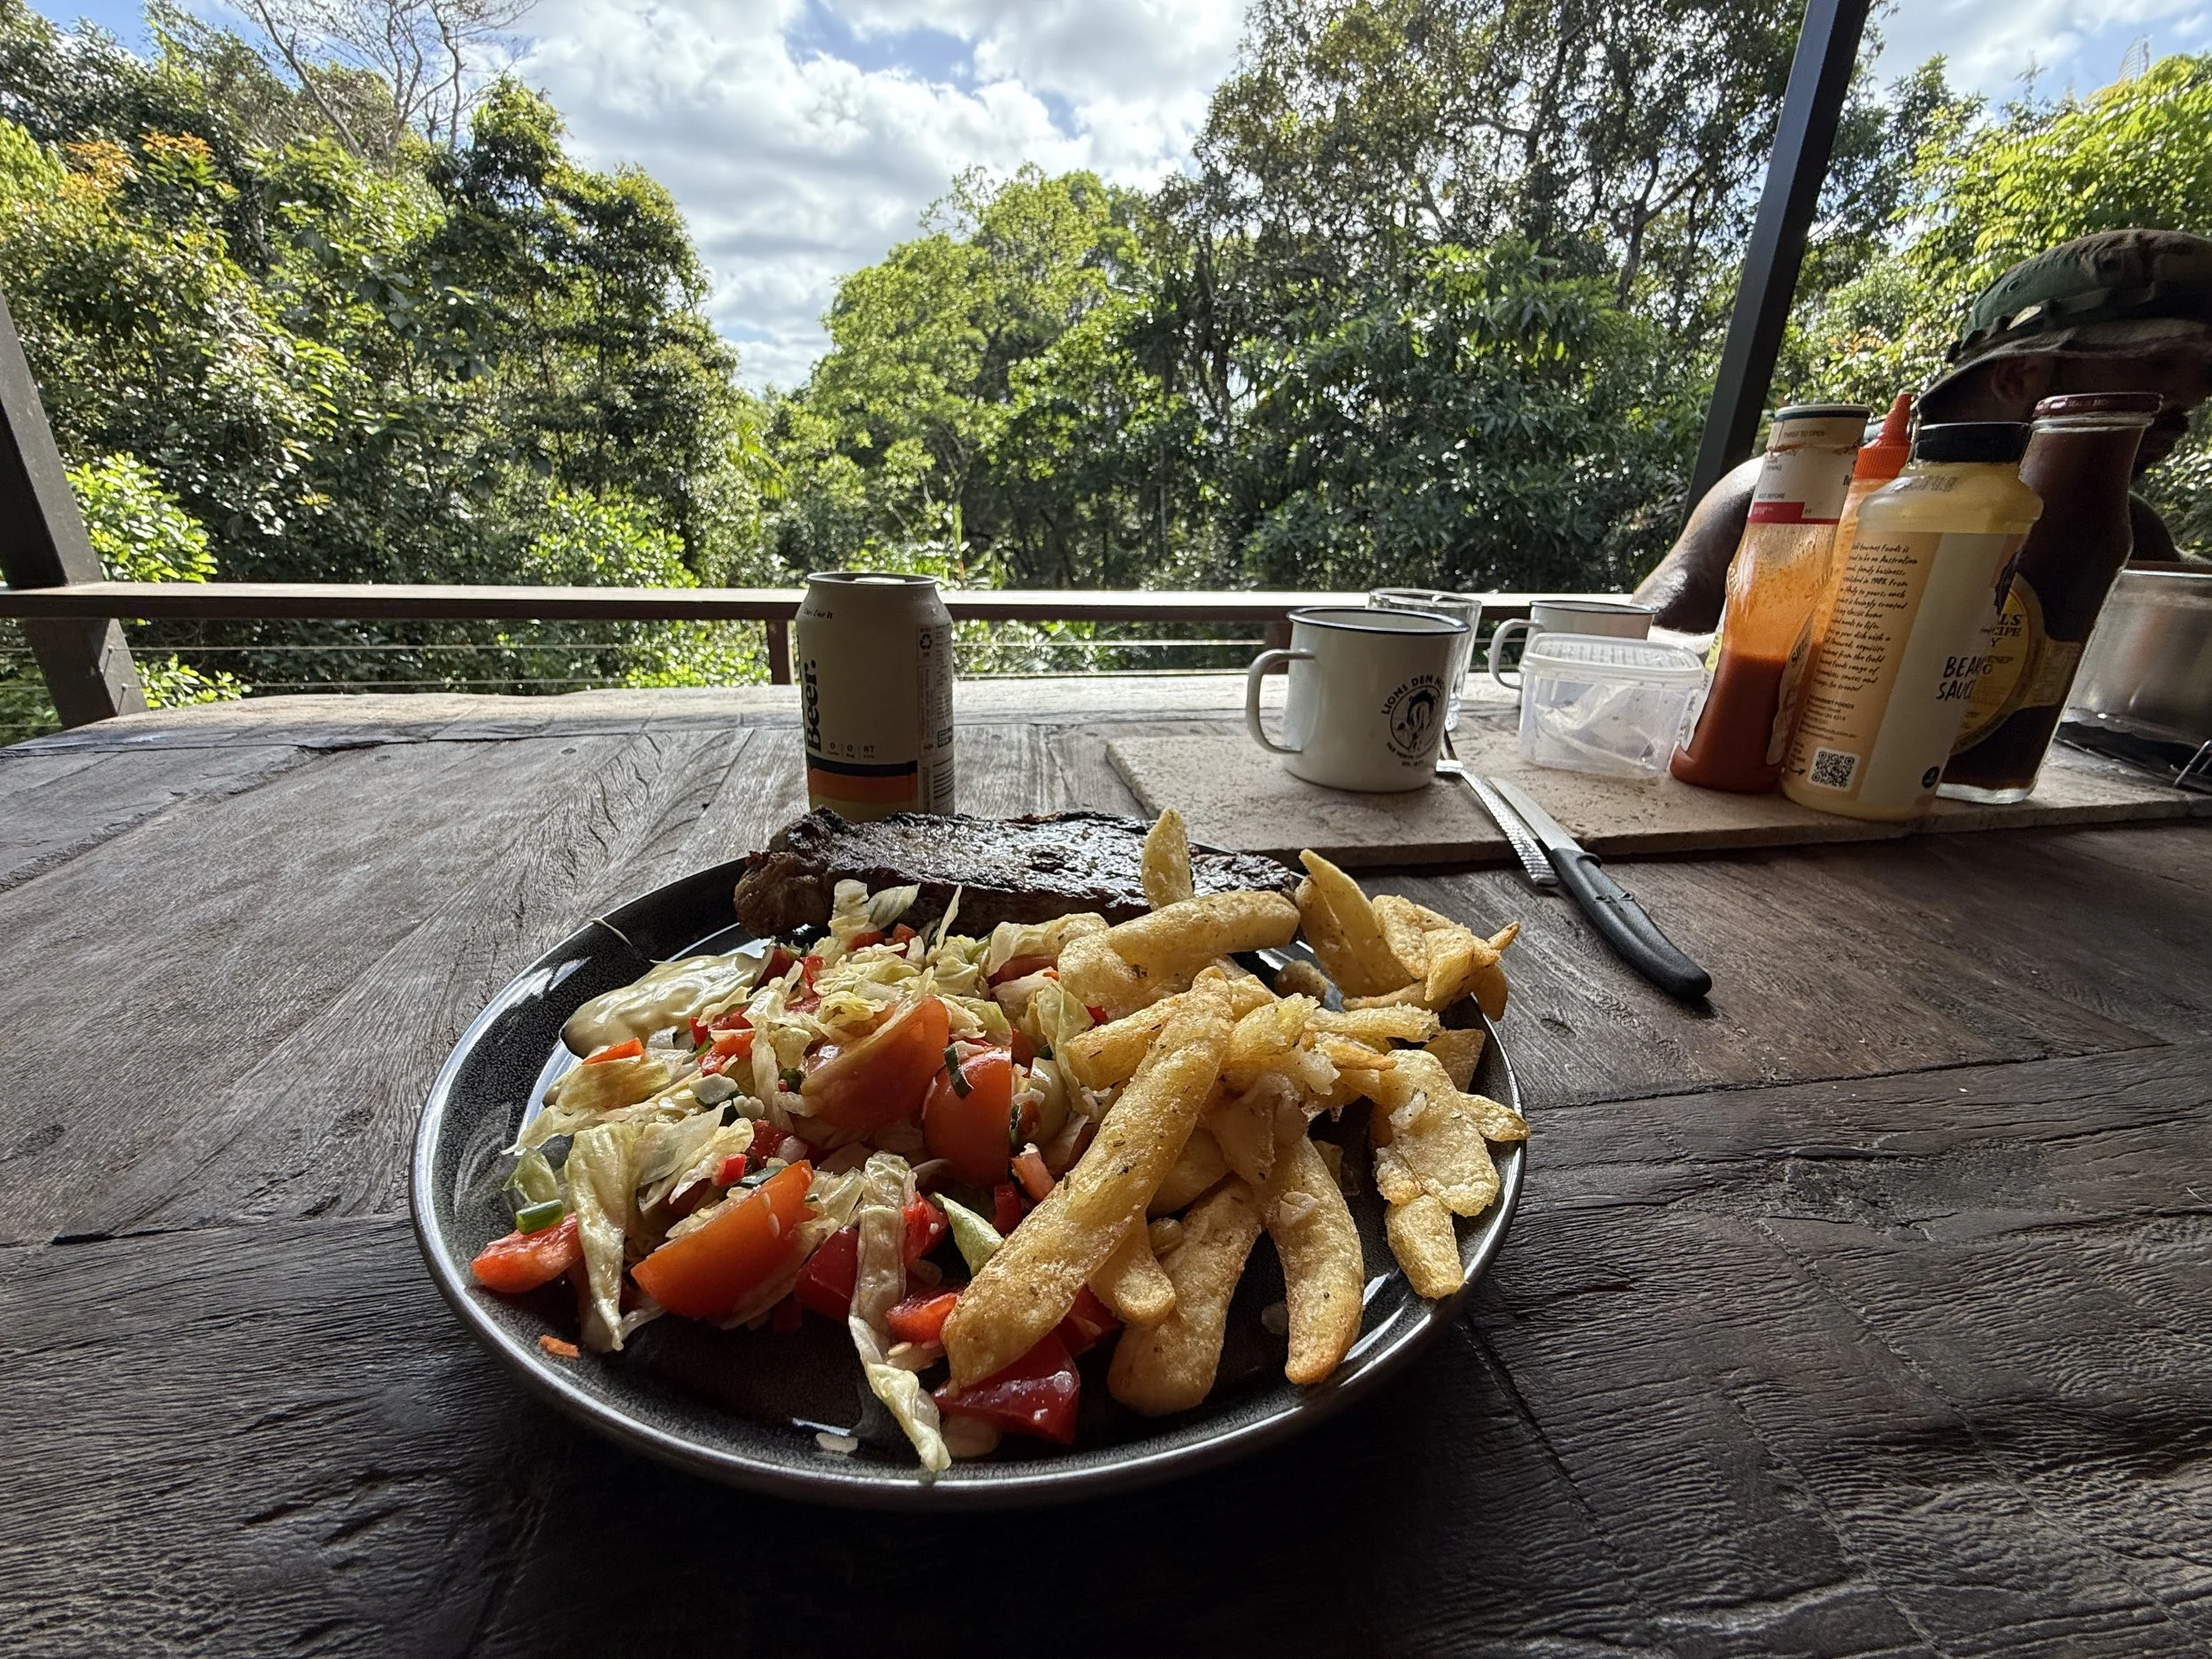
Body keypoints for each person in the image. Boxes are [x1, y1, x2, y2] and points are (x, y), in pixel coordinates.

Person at [1635, 228, 2212, 631]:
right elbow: (1640, 641)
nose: (2180, 417)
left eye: (2199, 390)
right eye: (2157, 372)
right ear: (2019, 375)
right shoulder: (1794, 489)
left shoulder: (2126, 531)